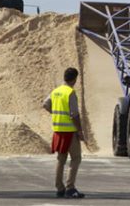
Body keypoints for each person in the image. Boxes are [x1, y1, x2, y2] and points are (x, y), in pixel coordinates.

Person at [43, 67, 86, 198]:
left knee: (60, 160)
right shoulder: (70, 93)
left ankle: (59, 188)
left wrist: (54, 113)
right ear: (75, 79)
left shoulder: (56, 91)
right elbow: (74, 114)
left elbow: (45, 104)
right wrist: (80, 131)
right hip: (70, 131)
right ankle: (70, 188)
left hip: (58, 131)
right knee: (76, 158)